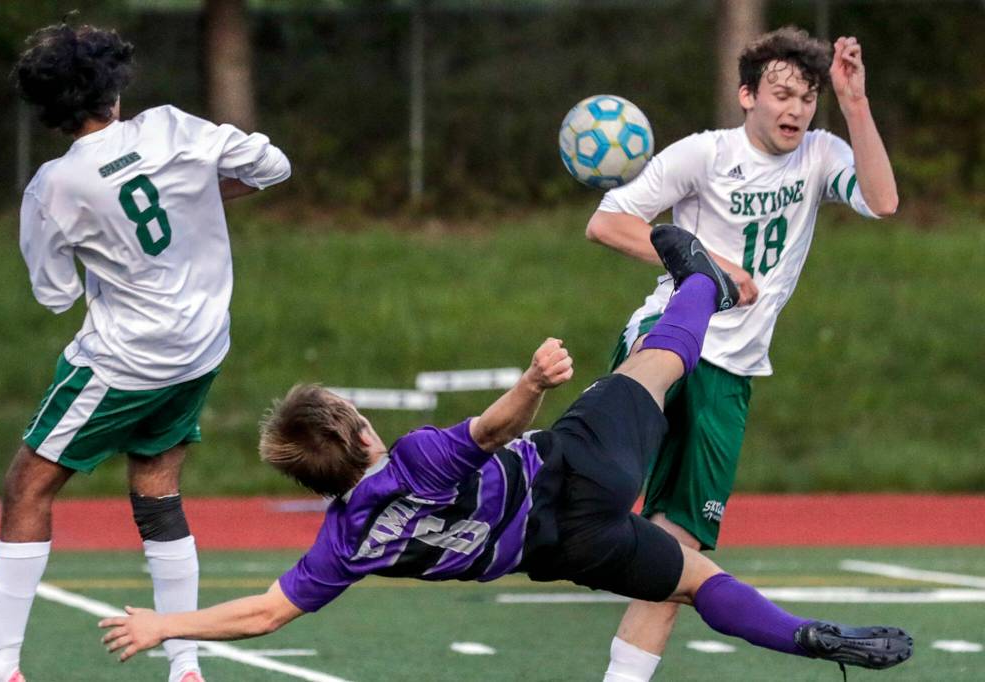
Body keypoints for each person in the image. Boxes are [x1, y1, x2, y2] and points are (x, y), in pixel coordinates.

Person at [98, 225, 912, 678]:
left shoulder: (345, 538)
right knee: (658, 361)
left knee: (697, 583)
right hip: (576, 464)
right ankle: (704, 279)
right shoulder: (412, 459)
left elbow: (268, 613)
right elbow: (487, 433)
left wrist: (166, 623)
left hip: (564, 547)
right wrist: (532, 382)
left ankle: (808, 636)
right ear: (359, 433)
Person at [0, 20, 290, 682]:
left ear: (50, 108)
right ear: (114, 84)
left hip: (124, 360)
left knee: (28, 485)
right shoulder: (173, 129)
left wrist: (101, 239)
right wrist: (198, 193)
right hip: (200, 347)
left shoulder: (55, 185)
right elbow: (270, 165)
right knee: (157, 489)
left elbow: (54, 295)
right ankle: (186, 666)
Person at [584, 28, 898, 681]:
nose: (796, 108)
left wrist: (855, 102)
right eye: (782, 93)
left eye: (808, 97)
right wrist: (706, 265)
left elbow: (883, 200)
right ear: (747, 94)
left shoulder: (820, 154)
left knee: (676, 554)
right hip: (668, 337)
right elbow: (608, 222)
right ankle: (523, 499)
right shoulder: (704, 154)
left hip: (732, 377)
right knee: (593, 483)